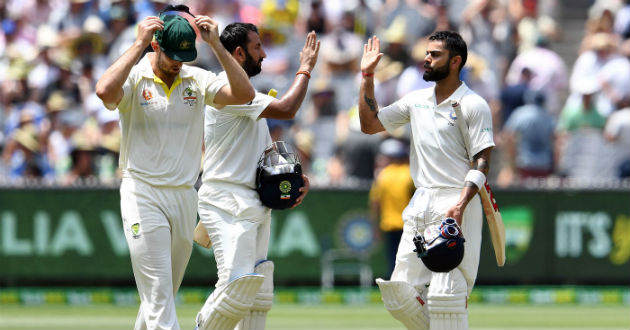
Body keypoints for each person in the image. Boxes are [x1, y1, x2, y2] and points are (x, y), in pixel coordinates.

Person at [94, 6, 255, 330]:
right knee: (158, 295)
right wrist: (138, 45)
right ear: (156, 46)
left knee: (162, 294)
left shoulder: (195, 78)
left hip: (183, 196)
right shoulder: (136, 76)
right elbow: (104, 91)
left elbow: (244, 94)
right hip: (143, 194)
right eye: (173, 57)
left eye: (185, 57)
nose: (179, 64)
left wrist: (217, 47)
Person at [358, 31, 495, 330]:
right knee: (398, 296)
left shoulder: (473, 104)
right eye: (427, 53)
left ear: (456, 61)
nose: (427, 59)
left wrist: (460, 204)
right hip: (421, 201)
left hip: (457, 201)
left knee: (447, 295)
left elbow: (483, 160)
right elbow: (369, 125)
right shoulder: (416, 100)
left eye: (435, 55)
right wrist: (368, 75)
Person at [194, 24, 319, 330]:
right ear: (239, 53)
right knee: (236, 288)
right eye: (257, 47)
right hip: (227, 199)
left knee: (257, 293)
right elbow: (288, 108)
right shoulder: (229, 90)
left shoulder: (247, 96)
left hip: (251, 200)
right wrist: (304, 69)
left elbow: (265, 159)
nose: (264, 54)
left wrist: (294, 179)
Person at [369, 138, 413, 276]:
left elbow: (375, 203)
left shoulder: (382, 176)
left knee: (393, 260)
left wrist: (374, 226)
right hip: (410, 224)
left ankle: (394, 288)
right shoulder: (409, 174)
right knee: (411, 259)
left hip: (389, 225)